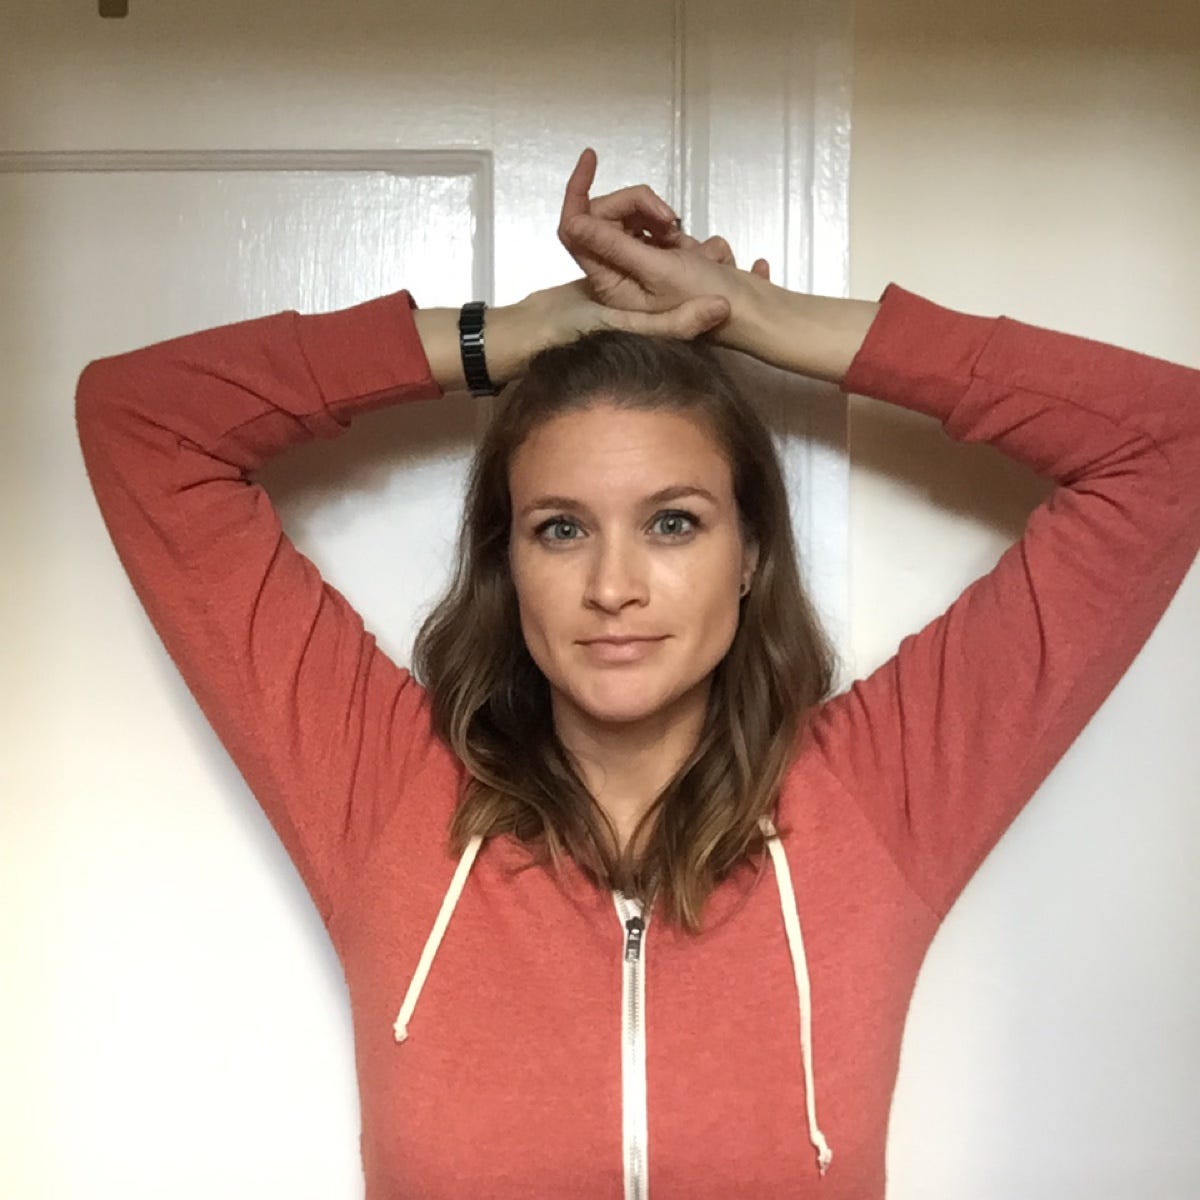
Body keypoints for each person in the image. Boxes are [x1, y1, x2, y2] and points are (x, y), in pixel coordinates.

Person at [74, 146, 1200, 1198]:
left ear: (749, 554)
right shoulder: (385, 794)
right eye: (560, 529)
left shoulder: (880, 797)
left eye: (672, 522)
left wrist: (751, 316)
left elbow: (1167, 442)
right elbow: (143, 422)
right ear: (506, 562)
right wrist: (520, 332)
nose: (613, 586)